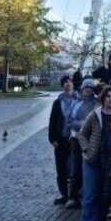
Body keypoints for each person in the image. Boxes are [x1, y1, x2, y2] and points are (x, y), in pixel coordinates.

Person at [79, 86, 111, 221]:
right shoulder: (95, 114)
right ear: (103, 98)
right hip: (92, 162)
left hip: (109, 164)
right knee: (90, 199)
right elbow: (81, 134)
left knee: (105, 199)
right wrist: (87, 149)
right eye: (108, 96)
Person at [67, 78, 99, 209]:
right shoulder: (76, 103)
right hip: (76, 139)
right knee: (76, 168)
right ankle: (73, 196)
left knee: (91, 167)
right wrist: (83, 125)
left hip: (92, 139)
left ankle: (89, 195)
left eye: (90, 87)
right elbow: (70, 121)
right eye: (86, 87)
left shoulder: (97, 103)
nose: (88, 90)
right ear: (82, 88)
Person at [48, 75, 78, 205]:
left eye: (70, 82)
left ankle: (74, 195)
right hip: (61, 139)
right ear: (62, 86)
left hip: (75, 139)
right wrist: (52, 138)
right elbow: (52, 121)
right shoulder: (58, 102)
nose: (68, 84)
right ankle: (64, 194)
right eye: (65, 83)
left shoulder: (79, 99)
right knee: (60, 167)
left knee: (74, 167)